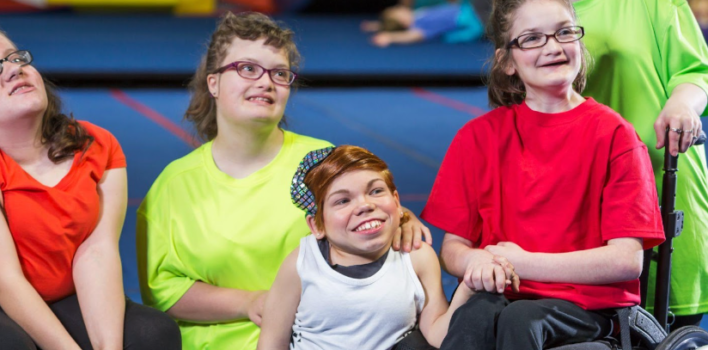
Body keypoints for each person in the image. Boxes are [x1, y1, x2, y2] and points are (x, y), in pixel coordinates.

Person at [136, 12, 430, 350]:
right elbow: (163, 291)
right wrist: (251, 303)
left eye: (279, 73)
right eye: (247, 69)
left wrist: (401, 219)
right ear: (213, 82)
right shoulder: (174, 185)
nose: (265, 82)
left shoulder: (323, 162)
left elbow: (368, 219)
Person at [0, 22, 180, 349]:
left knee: (151, 334)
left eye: (15, 58)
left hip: (48, 296)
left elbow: (97, 253)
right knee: (5, 345)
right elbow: (3, 279)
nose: (12, 70)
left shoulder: (97, 145)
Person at [420, 0, 667, 348]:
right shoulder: (478, 137)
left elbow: (626, 261)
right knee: (473, 316)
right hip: (498, 299)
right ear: (507, 61)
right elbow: (453, 249)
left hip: (586, 306)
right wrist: (474, 258)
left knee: (521, 319)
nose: (552, 47)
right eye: (532, 39)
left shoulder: (614, 135)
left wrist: (524, 263)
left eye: (564, 32)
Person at [257, 145, 518, 349]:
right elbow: (272, 343)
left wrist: (467, 288)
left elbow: (438, 335)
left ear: (396, 200)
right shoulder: (302, 263)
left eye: (375, 191)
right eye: (343, 201)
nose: (364, 205)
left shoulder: (416, 258)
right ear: (317, 226)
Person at [573, 0, 708, 329]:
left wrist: (682, 103)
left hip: (660, 179)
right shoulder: (528, 8)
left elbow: (695, 72)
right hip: (576, 193)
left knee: (666, 325)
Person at [362, 0, 485, 47]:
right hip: (470, 18)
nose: (401, 8)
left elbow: (391, 24)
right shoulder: (418, 25)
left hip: (465, 8)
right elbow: (414, 36)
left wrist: (377, 25)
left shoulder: (416, 14)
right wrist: (391, 37)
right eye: (398, 11)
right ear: (403, 22)